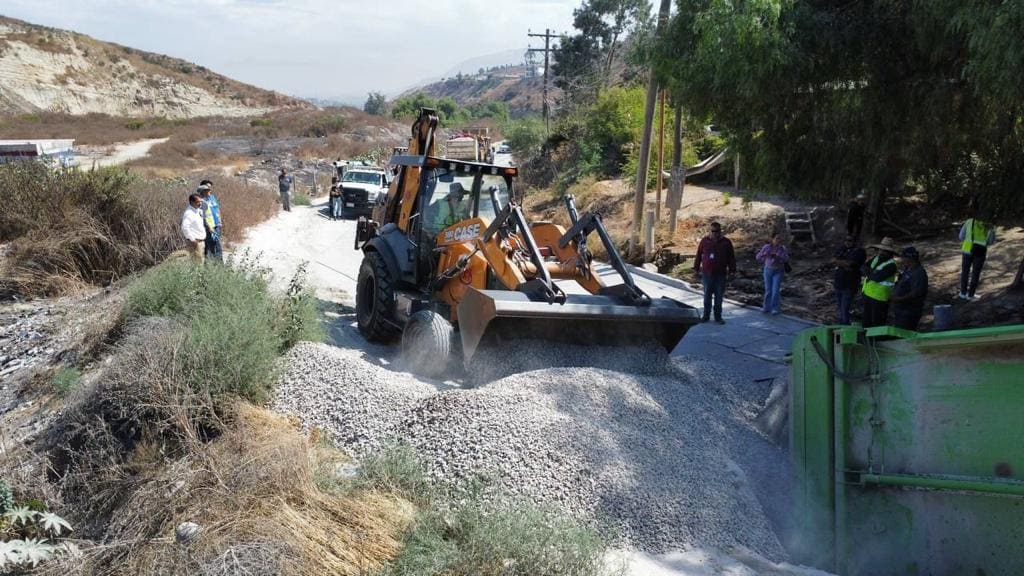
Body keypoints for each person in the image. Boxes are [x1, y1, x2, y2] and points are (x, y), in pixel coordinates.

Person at [693, 221, 736, 324]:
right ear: (710, 231)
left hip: (720, 274)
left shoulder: (726, 242)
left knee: (719, 296)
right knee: (707, 296)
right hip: (707, 273)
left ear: (720, 231)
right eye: (713, 231)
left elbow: (731, 258)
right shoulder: (705, 241)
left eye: (717, 231)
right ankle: (706, 316)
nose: (715, 233)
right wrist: (696, 268)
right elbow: (699, 255)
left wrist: (732, 271)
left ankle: (718, 317)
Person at [861, 237, 899, 328]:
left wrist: (869, 272)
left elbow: (877, 278)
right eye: (880, 250)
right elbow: (863, 267)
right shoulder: (876, 258)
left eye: (884, 251)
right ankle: (868, 340)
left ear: (890, 253)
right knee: (866, 321)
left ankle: (878, 340)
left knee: (878, 323)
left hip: (880, 298)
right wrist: (871, 272)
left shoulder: (891, 265)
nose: (881, 252)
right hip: (867, 294)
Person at [958, 214, 996, 300]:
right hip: (980, 252)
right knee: (975, 273)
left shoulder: (969, 221)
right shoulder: (989, 225)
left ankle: (963, 293)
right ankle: (971, 295)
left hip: (967, 250)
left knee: (965, 272)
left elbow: (961, 236)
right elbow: (990, 242)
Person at [891, 246, 928, 331]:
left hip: (909, 311)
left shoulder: (919, 273)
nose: (902, 260)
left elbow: (916, 293)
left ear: (909, 259)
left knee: (905, 333)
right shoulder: (908, 269)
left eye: (903, 258)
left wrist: (898, 298)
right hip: (901, 310)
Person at [832, 235, 866, 325]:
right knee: (839, 307)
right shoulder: (842, 249)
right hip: (838, 282)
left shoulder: (859, 251)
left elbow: (852, 264)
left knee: (845, 308)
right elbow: (833, 260)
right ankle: (840, 324)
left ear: (854, 242)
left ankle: (845, 326)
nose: (847, 242)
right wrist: (844, 264)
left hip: (849, 284)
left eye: (850, 240)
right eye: (846, 240)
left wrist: (840, 263)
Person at [755, 233, 789, 315]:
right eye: (777, 238)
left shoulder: (782, 248)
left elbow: (786, 258)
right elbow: (758, 257)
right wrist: (764, 254)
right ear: (772, 239)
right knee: (768, 290)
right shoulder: (767, 247)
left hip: (778, 271)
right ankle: (766, 307)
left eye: (780, 238)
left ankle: (775, 308)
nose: (778, 240)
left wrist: (779, 257)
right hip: (768, 270)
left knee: (775, 290)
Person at [197, 180, 222, 262]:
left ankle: (215, 265)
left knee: (216, 245)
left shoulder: (212, 197)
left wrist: (219, 221)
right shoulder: (200, 201)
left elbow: (217, 208)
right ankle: (216, 266)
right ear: (203, 190)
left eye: (210, 188)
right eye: (208, 188)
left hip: (216, 225)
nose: (210, 190)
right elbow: (202, 216)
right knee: (212, 246)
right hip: (208, 228)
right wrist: (208, 227)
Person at [180, 193, 206, 263]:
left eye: (201, 201)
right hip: (195, 242)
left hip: (200, 241)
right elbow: (184, 227)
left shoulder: (197, 211)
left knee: (200, 262)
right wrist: (192, 240)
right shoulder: (189, 213)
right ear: (192, 202)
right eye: (198, 202)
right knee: (197, 264)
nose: (200, 203)